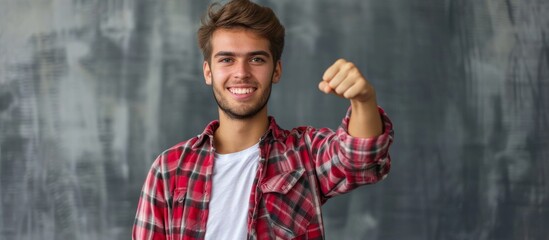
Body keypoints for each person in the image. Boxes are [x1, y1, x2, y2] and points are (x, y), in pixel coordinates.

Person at [132, 0, 394, 239]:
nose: (241, 73)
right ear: (208, 72)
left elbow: (360, 159)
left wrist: (363, 100)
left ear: (276, 70)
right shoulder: (169, 169)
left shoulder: (305, 154)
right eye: (227, 59)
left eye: (256, 59)